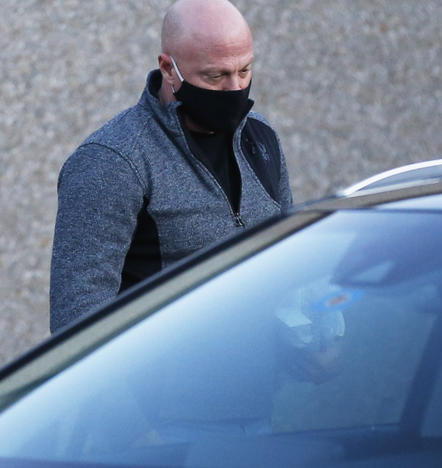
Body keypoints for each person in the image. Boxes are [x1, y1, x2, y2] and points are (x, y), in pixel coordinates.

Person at [50, 0, 292, 333]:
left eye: (245, 70)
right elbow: (78, 323)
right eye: (216, 75)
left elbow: (289, 261)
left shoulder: (261, 137)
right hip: (164, 381)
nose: (235, 89)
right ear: (168, 68)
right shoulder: (111, 161)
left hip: (264, 376)